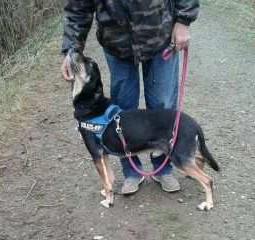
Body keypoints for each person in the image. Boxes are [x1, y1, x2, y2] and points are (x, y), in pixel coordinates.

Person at [61, 0, 199, 195]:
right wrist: (71, 50)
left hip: (160, 35)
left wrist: (184, 20)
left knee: (163, 105)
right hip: (116, 43)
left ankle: (163, 167)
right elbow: (77, 7)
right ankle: (132, 171)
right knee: (121, 113)